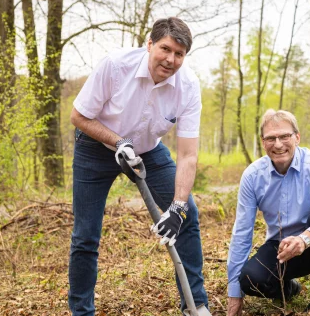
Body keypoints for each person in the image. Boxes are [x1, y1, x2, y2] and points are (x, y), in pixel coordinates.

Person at [68, 17, 209, 316]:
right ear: (149, 44)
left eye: (179, 54)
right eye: (165, 49)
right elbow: (79, 116)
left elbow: (187, 155)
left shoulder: (188, 86)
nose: (170, 60)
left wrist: (179, 206)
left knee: (188, 216)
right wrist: (119, 142)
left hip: (148, 151)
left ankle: (195, 305)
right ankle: (81, 311)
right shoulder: (115, 66)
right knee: (86, 235)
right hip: (96, 147)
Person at [226, 109, 310, 315]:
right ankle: (289, 288)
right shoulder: (253, 175)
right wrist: (234, 295)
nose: (278, 144)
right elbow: (242, 232)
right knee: (248, 279)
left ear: (297, 137)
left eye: (285, 136)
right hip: (279, 246)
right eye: (271, 138)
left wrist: (304, 240)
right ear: (263, 142)